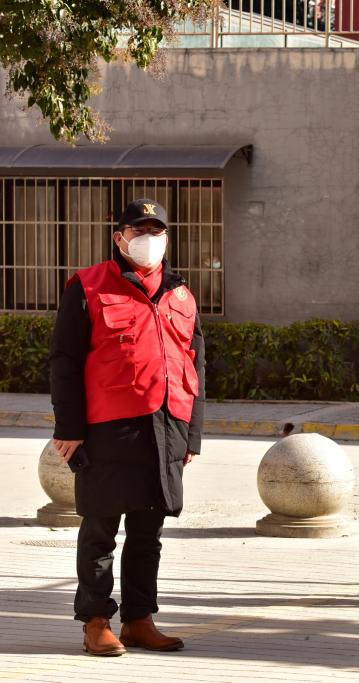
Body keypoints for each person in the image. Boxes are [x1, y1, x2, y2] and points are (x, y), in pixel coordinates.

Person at [50, 199, 205, 656]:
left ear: (167, 239)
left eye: (156, 232)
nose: (148, 240)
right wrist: (69, 427)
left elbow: (195, 364)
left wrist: (192, 433)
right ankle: (96, 620)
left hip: (167, 423)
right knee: (100, 527)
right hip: (108, 426)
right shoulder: (87, 285)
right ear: (119, 238)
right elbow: (64, 361)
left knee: (147, 531)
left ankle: (139, 619)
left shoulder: (181, 294)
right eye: (139, 231)